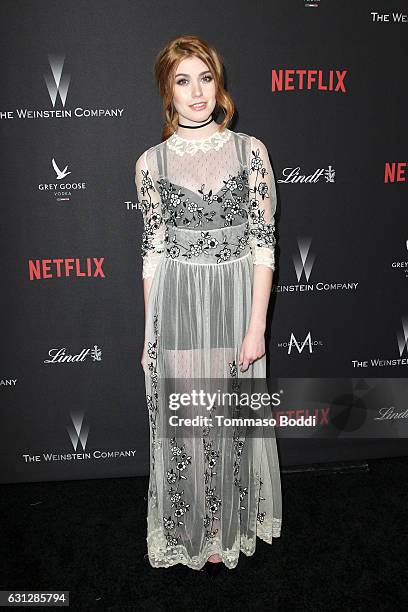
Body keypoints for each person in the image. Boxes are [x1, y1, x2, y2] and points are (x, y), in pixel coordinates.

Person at [134, 35, 282, 575]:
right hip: (177, 304)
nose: (196, 92)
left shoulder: (251, 151)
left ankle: (229, 527)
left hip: (234, 300)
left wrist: (256, 323)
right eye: (182, 81)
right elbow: (153, 254)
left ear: (218, 84)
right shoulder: (151, 164)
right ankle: (193, 531)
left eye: (204, 78)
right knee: (188, 423)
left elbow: (264, 243)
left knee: (229, 421)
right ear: (167, 93)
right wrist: (149, 333)